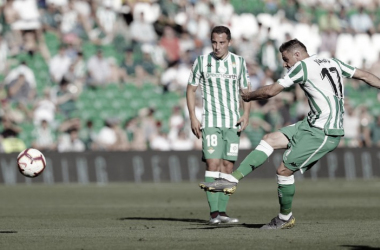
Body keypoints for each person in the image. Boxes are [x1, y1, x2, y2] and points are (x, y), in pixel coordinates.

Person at [199, 39, 380, 229]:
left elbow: (271, 92)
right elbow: (365, 76)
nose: (285, 64)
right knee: (269, 139)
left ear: (297, 55)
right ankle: (232, 180)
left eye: (286, 59)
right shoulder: (332, 62)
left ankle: (285, 218)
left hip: (324, 131)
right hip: (310, 123)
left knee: (283, 171)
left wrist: (247, 96)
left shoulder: (301, 67)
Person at [187, 26, 251, 225]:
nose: (217, 46)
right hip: (211, 121)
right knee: (212, 164)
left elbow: (246, 91)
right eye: (214, 42)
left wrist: (246, 114)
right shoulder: (202, 61)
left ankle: (222, 212)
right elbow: (190, 90)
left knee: (228, 166)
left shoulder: (239, 62)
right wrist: (193, 117)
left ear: (229, 42)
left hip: (232, 122)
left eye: (222, 42)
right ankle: (214, 213)